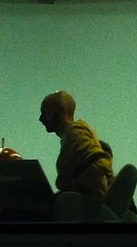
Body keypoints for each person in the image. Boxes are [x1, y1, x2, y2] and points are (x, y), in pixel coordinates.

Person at [38, 90, 117, 222]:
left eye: (44, 113)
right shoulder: (72, 134)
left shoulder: (75, 133)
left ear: (58, 112)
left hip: (87, 210)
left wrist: (72, 187)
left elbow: (103, 163)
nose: (41, 119)